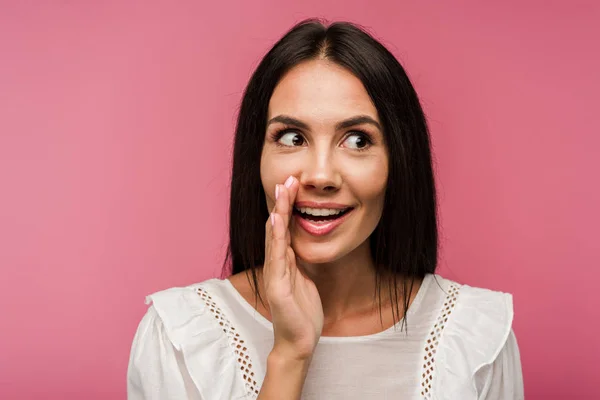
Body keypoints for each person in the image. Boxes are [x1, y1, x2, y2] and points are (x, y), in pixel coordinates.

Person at [127, 18, 524, 400]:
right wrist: (289, 356)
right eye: (292, 136)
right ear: (257, 158)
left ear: (399, 161)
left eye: (357, 140)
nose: (320, 175)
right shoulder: (180, 336)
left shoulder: (476, 337)